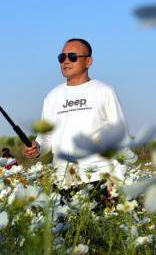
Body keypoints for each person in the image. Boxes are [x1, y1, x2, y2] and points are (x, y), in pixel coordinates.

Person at [23, 38, 136, 197]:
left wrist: (117, 179)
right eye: (62, 58)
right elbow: (45, 138)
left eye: (72, 56)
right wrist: (36, 148)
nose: (66, 61)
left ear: (88, 61)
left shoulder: (104, 91)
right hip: (62, 181)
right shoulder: (52, 97)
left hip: (99, 179)